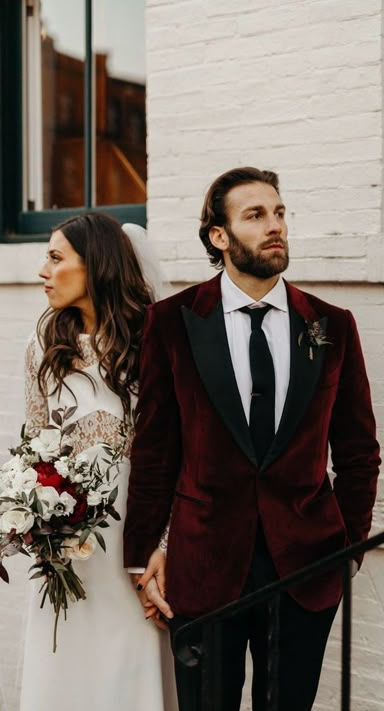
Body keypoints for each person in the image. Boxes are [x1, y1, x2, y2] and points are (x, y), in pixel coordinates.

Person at [124, 167, 381, 711]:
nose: (275, 226)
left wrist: (348, 549)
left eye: (280, 212)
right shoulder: (172, 322)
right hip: (202, 567)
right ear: (219, 236)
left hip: (306, 568)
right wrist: (143, 551)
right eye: (256, 215)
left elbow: (359, 452)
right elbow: (154, 449)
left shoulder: (332, 325)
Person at [20, 213, 178, 711]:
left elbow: (177, 450)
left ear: (95, 267)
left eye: (55, 257)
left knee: (130, 659)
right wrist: (34, 514)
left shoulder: (150, 342)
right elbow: (35, 439)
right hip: (67, 548)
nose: (42, 269)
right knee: (67, 659)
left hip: (134, 538)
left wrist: (165, 544)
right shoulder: (44, 344)